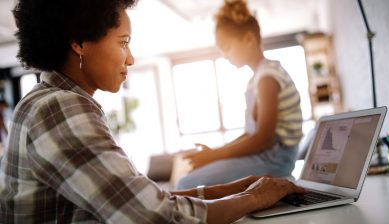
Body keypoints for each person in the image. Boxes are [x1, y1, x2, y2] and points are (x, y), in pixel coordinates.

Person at [0, 0, 306, 223]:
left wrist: (234, 188)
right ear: (79, 42)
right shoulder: (59, 110)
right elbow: (152, 217)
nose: (130, 58)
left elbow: (142, 199)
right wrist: (253, 197)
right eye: (123, 42)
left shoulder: (50, 101)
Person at [177, 0, 303, 189]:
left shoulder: (268, 78)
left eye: (227, 48)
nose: (225, 56)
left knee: (186, 184)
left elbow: (263, 139)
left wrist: (216, 155)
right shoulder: (258, 78)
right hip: (266, 155)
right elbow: (251, 134)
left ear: (249, 39)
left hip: (275, 160)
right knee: (190, 179)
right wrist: (216, 152)